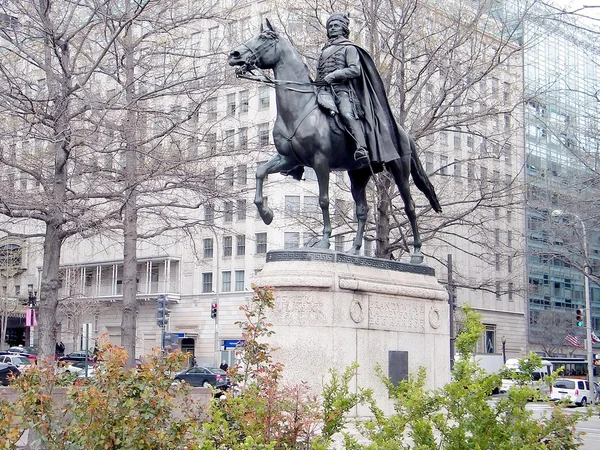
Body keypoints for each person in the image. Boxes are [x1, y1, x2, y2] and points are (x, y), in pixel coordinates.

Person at [316, 12, 403, 167]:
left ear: (343, 29)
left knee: (346, 114)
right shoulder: (323, 51)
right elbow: (319, 75)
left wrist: (334, 75)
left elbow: (355, 70)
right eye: (330, 26)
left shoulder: (349, 48)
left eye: (336, 25)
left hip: (342, 91)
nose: (332, 28)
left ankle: (361, 148)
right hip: (323, 92)